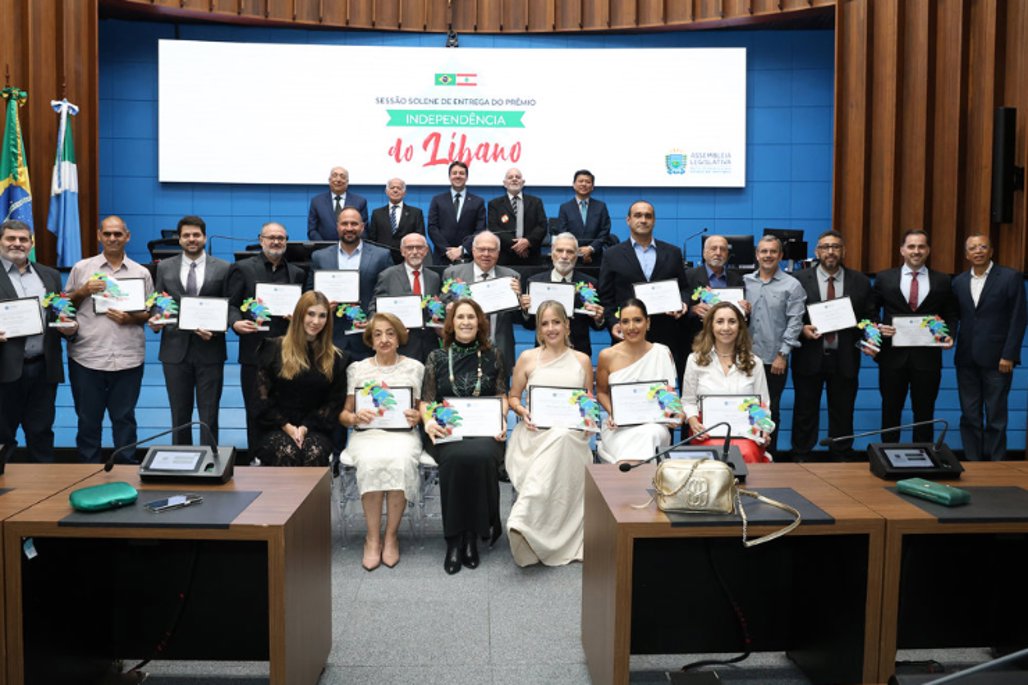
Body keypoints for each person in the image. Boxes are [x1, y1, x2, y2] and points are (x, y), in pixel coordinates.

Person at [421, 299, 508, 575]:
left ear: (480, 322)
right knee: (458, 458)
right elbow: (426, 401)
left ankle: (473, 534)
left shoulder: (493, 354)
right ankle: (455, 540)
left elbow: (501, 396)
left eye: (472, 317)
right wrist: (428, 422)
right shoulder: (436, 357)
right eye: (461, 317)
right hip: (448, 430)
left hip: (485, 430)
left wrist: (501, 418)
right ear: (452, 323)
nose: (466, 322)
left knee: (481, 456)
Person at [505, 300, 594, 566]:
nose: (551, 328)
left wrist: (587, 420)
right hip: (533, 436)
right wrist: (523, 412)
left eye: (556, 322)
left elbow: (587, 403)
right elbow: (513, 397)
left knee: (564, 436)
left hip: (571, 439)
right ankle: (530, 526)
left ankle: (525, 516)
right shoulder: (527, 358)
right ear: (538, 330)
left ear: (567, 326)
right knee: (558, 437)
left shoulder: (582, 360)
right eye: (545, 323)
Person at [338, 313, 425, 571]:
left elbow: (424, 411)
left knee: (399, 461)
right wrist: (354, 417)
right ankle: (372, 538)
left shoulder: (415, 368)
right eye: (378, 334)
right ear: (370, 340)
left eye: (390, 333)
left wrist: (418, 416)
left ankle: (391, 537)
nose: (384, 339)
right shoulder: (357, 369)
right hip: (367, 435)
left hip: (402, 434)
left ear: (399, 338)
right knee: (371, 462)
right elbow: (343, 415)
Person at [66, 216, 154, 463]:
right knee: (87, 419)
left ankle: (126, 467)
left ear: (127, 236)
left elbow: (149, 313)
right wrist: (83, 291)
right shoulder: (82, 268)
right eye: (108, 234)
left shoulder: (142, 272)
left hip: (128, 357)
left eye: (118, 234)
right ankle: (87, 469)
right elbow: (63, 306)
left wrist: (131, 318)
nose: (113, 238)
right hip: (87, 356)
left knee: (124, 418)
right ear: (99, 236)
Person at [791, 230, 876, 462]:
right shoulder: (798, 279)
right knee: (805, 410)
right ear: (817, 251)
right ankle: (801, 453)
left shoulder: (859, 281)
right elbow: (788, 316)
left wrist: (871, 338)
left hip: (845, 355)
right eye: (826, 247)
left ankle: (841, 453)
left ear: (843, 251)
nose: (830, 251)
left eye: (836, 247)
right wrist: (801, 329)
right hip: (809, 355)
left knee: (843, 409)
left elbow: (869, 317)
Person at [227, 221, 307, 461]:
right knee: (255, 409)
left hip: (288, 354)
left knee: (285, 409)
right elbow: (230, 304)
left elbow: (306, 309)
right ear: (261, 240)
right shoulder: (242, 269)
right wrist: (234, 323)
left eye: (281, 238)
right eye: (271, 237)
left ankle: (282, 459)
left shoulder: (297, 273)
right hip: (254, 351)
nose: (276, 242)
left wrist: (299, 317)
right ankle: (256, 458)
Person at [0, 220, 77, 462]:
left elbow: (61, 312)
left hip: (44, 367)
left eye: (23, 239)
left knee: (41, 432)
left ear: (31, 243)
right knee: (3, 435)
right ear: (0, 241)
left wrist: (70, 327)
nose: (17, 244)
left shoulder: (49, 275)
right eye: (11, 238)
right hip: (4, 368)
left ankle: (44, 494)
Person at [151, 215, 231, 446]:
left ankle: (210, 464)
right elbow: (159, 301)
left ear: (204, 237)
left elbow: (229, 307)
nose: (191, 239)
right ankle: (181, 464)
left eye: (196, 235)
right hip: (174, 351)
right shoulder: (164, 267)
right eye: (186, 235)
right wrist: (156, 318)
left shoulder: (224, 268)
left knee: (209, 415)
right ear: (179, 239)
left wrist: (216, 330)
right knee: (179, 415)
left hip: (210, 350)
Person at [873, 229, 958, 444]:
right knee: (890, 409)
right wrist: (879, 327)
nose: (916, 251)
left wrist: (949, 336)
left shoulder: (942, 280)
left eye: (921, 246)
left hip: (927, 358)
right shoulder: (884, 278)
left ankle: (925, 457)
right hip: (892, 357)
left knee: (925, 411)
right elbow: (870, 311)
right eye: (911, 246)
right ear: (902, 250)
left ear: (928, 250)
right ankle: (889, 455)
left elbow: (951, 314)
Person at [252, 290, 348, 467]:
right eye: (310, 314)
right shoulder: (273, 348)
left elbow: (333, 402)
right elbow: (261, 399)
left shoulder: (336, 358)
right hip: (275, 426)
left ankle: (316, 497)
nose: (316, 321)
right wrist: (286, 426)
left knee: (314, 452)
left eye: (322, 316)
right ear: (299, 315)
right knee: (286, 452)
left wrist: (304, 427)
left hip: (315, 427)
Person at [952, 234, 1026, 460]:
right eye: (973, 248)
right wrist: (944, 337)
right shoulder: (958, 282)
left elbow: (1018, 318)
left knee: (995, 415)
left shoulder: (1010, 277)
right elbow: (954, 318)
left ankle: (997, 465)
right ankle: (974, 462)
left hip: (998, 360)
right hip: (965, 359)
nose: (978, 251)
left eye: (983, 246)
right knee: (970, 415)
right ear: (966, 255)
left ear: (991, 251)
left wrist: (1009, 355)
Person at [598, 201, 689, 378]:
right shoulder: (612, 254)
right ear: (628, 220)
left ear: (654, 221)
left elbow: (684, 288)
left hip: (666, 334)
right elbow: (605, 296)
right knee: (628, 389)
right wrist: (613, 323)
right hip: (628, 334)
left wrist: (683, 304)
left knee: (664, 390)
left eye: (648, 216)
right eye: (638, 215)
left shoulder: (673, 252)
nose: (643, 220)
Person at [682, 301, 772, 464]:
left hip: (745, 433)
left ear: (740, 327)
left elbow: (763, 405)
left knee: (744, 452)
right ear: (710, 326)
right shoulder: (695, 360)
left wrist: (764, 429)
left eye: (732, 322)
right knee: (715, 454)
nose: (726, 328)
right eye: (720, 321)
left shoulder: (754, 362)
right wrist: (694, 422)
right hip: (707, 432)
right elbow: (688, 401)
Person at [595, 299, 680, 464]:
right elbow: (601, 392)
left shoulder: (662, 352)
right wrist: (614, 413)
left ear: (648, 323)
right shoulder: (607, 355)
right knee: (641, 439)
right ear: (619, 325)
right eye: (625, 322)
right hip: (618, 427)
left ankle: (630, 480)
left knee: (651, 433)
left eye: (637, 320)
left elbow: (670, 396)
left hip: (655, 425)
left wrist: (676, 414)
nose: (631, 327)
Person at [742, 235, 805, 456]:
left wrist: (782, 354)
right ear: (757, 255)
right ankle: (746, 454)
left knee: (771, 410)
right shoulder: (745, 282)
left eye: (773, 251)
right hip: (744, 358)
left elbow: (795, 322)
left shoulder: (792, 285)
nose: (768, 255)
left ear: (780, 255)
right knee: (743, 407)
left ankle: (770, 455)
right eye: (763, 251)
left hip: (773, 360)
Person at [307, 206, 394, 362]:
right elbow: (309, 294)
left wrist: (373, 320)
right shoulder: (319, 257)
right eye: (344, 223)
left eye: (354, 224)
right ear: (337, 226)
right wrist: (322, 306)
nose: (349, 228)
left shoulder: (381, 256)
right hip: (329, 336)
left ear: (362, 226)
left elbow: (388, 292)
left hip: (367, 337)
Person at [441, 230, 521, 374]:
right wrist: (448, 308)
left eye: (491, 250)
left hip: (499, 348)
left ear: (498, 252)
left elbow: (520, 318)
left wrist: (520, 300)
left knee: (500, 394)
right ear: (472, 250)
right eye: (481, 249)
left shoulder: (511, 277)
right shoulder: (453, 274)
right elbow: (441, 308)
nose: (486, 254)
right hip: (462, 349)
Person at [520, 232, 605, 358]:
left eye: (570, 252)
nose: (564, 256)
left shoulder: (589, 284)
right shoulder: (535, 282)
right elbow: (529, 325)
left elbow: (596, 326)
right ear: (552, 253)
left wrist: (599, 318)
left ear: (577, 256)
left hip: (578, 354)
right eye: (560, 250)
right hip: (544, 354)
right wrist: (526, 311)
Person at [372, 232, 442, 363]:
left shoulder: (434, 277)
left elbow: (436, 308)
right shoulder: (387, 276)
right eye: (410, 248)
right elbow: (375, 308)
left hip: (429, 347)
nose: (415, 252)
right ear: (402, 251)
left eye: (419, 247)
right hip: (400, 346)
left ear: (426, 251)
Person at [683, 234, 747, 353]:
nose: (718, 253)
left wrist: (745, 310)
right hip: (696, 343)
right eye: (713, 249)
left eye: (722, 249)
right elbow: (680, 310)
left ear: (727, 255)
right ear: (704, 253)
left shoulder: (737, 279)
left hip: (728, 344)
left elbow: (742, 318)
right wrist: (692, 310)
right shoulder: (688, 276)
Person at [427, 160, 486, 265]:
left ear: (467, 177)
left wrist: (462, 249)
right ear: (449, 177)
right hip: (442, 257)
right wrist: (447, 251)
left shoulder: (478, 201)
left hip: (468, 258)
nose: (458, 176)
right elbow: (432, 228)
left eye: (461, 173)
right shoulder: (437, 200)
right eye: (454, 173)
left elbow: (480, 230)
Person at [485, 167, 547, 265]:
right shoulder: (495, 204)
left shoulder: (536, 202)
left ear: (523, 182)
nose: (514, 179)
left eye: (517, 177)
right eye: (510, 177)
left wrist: (527, 242)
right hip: (505, 257)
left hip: (531, 256)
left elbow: (542, 226)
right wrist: (517, 246)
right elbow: (494, 228)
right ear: (505, 183)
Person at [557, 169, 611, 265]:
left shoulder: (601, 206)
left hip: (596, 257)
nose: (584, 184)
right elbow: (562, 231)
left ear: (592, 186)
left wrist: (590, 249)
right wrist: (578, 251)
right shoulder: (565, 207)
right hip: (571, 257)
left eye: (588, 182)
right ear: (574, 185)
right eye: (580, 181)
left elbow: (605, 231)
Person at [367, 178, 426, 264]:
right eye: (392, 188)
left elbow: (420, 237)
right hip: (382, 259)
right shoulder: (377, 213)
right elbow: (372, 239)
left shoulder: (416, 213)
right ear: (386, 192)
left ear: (404, 193)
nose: (395, 190)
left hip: (407, 259)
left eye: (399, 188)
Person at [307, 166, 368, 241]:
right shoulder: (316, 201)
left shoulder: (360, 201)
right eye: (335, 176)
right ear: (329, 180)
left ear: (347, 181)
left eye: (342, 177)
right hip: (324, 249)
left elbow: (364, 229)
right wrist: (323, 247)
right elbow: (312, 230)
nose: (338, 180)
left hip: (351, 247)